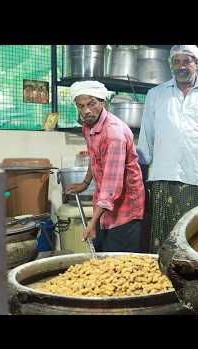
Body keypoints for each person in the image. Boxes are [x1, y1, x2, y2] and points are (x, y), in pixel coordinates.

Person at [137, 45, 198, 253]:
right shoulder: (156, 94)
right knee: (163, 240)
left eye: (187, 61)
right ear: (171, 65)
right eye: (177, 61)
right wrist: (140, 185)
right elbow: (145, 140)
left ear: (197, 64)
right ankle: (162, 282)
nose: (181, 66)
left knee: (196, 238)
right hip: (162, 178)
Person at [66, 80, 146, 252]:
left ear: (103, 102)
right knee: (103, 257)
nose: (86, 111)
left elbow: (112, 188)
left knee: (121, 264)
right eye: (81, 106)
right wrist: (85, 183)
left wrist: (92, 224)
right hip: (105, 206)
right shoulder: (88, 125)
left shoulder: (113, 134)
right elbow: (95, 158)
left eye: (91, 104)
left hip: (125, 208)